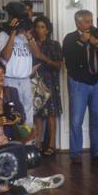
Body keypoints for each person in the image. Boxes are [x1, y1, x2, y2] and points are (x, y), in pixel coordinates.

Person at [63, 10, 98, 163]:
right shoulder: (70, 38)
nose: (91, 24)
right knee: (77, 119)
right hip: (79, 83)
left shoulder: (97, 34)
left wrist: (97, 45)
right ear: (78, 23)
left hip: (96, 82)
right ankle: (75, 153)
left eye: (91, 20)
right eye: (87, 21)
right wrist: (82, 42)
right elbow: (69, 59)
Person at [0, 3, 35, 127]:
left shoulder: (25, 37)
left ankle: (28, 144)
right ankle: (12, 144)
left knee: (27, 114)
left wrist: (28, 35)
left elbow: (37, 54)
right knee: (10, 112)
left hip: (25, 81)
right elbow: (5, 56)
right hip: (9, 80)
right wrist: (12, 33)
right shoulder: (3, 35)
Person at [31, 15, 62, 156]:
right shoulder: (31, 43)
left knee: (51, 114)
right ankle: (37, 143)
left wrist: (42, 56)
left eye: (42, 27)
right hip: (34, 81)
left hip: (50, 81)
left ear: (48, 30)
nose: (39, 30)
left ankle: (51, 145)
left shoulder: (54, 45)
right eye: (37, 26)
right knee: (37, 114)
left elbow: (58, 65)